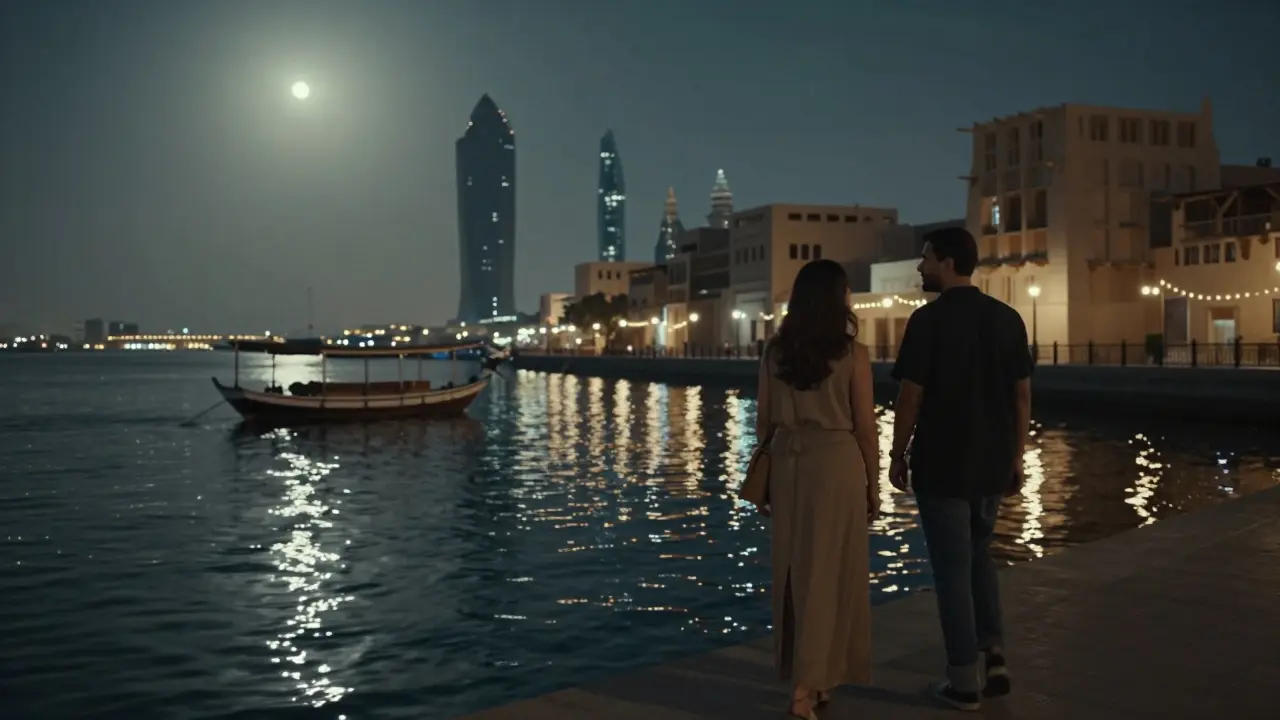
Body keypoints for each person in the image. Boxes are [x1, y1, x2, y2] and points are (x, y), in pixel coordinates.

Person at [888, 227, 1033, 711]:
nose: (920, 267)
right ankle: (994, 655)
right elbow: (1021, 395)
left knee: (952, 570)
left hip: (943, 463)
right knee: (980, 557)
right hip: (992, 463)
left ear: (947, 262)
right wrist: (1016, 455)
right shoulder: (1008, 319)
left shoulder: (927, 322)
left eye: (926, 258)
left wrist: (896, 452)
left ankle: (963, 682)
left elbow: (911, 395)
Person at [756, 259, 880, 719]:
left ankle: (815, 677)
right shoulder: (854, 354)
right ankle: (808, 688)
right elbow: (865, 427)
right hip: (837, 465)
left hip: (789, 462)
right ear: (838, 298)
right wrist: (873, 485)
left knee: (794, 573)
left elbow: (763, 420)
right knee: (833, 572)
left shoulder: (775, 351)